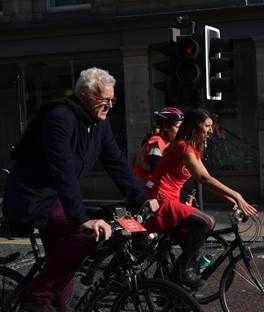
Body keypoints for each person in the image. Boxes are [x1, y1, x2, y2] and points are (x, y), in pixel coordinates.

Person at [2, 67, 159, 312]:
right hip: (33, 196)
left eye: (112, 100)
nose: (109, 105)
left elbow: (116, 163)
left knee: (67, 263)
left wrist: (141, 199)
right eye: (103, 100)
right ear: (84, 96)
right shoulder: (59, 118)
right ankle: (37, 294)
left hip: (58, 197)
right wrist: (81, 220)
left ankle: (54, 301)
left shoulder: (99, 124)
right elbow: (62, 171)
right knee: (85, 234)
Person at [145, 108, 258, 287]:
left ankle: (171, 291)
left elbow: (206, 179)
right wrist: (237, 195)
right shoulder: (182, 146)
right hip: (161, 201)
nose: (211, 131)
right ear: (195, 126)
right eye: (207, 126)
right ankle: (179, 274)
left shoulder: (192, 149)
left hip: (171, 200)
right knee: (206, 222)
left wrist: (233, 201)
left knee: (192, 247)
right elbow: (203, 178)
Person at [132, 107, 184, 191]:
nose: (181, 131)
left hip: (150, 185)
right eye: (178, 127)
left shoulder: (166, 141)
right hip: (144, 187)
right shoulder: (156, 143)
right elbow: (156, 171)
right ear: (166, 126)